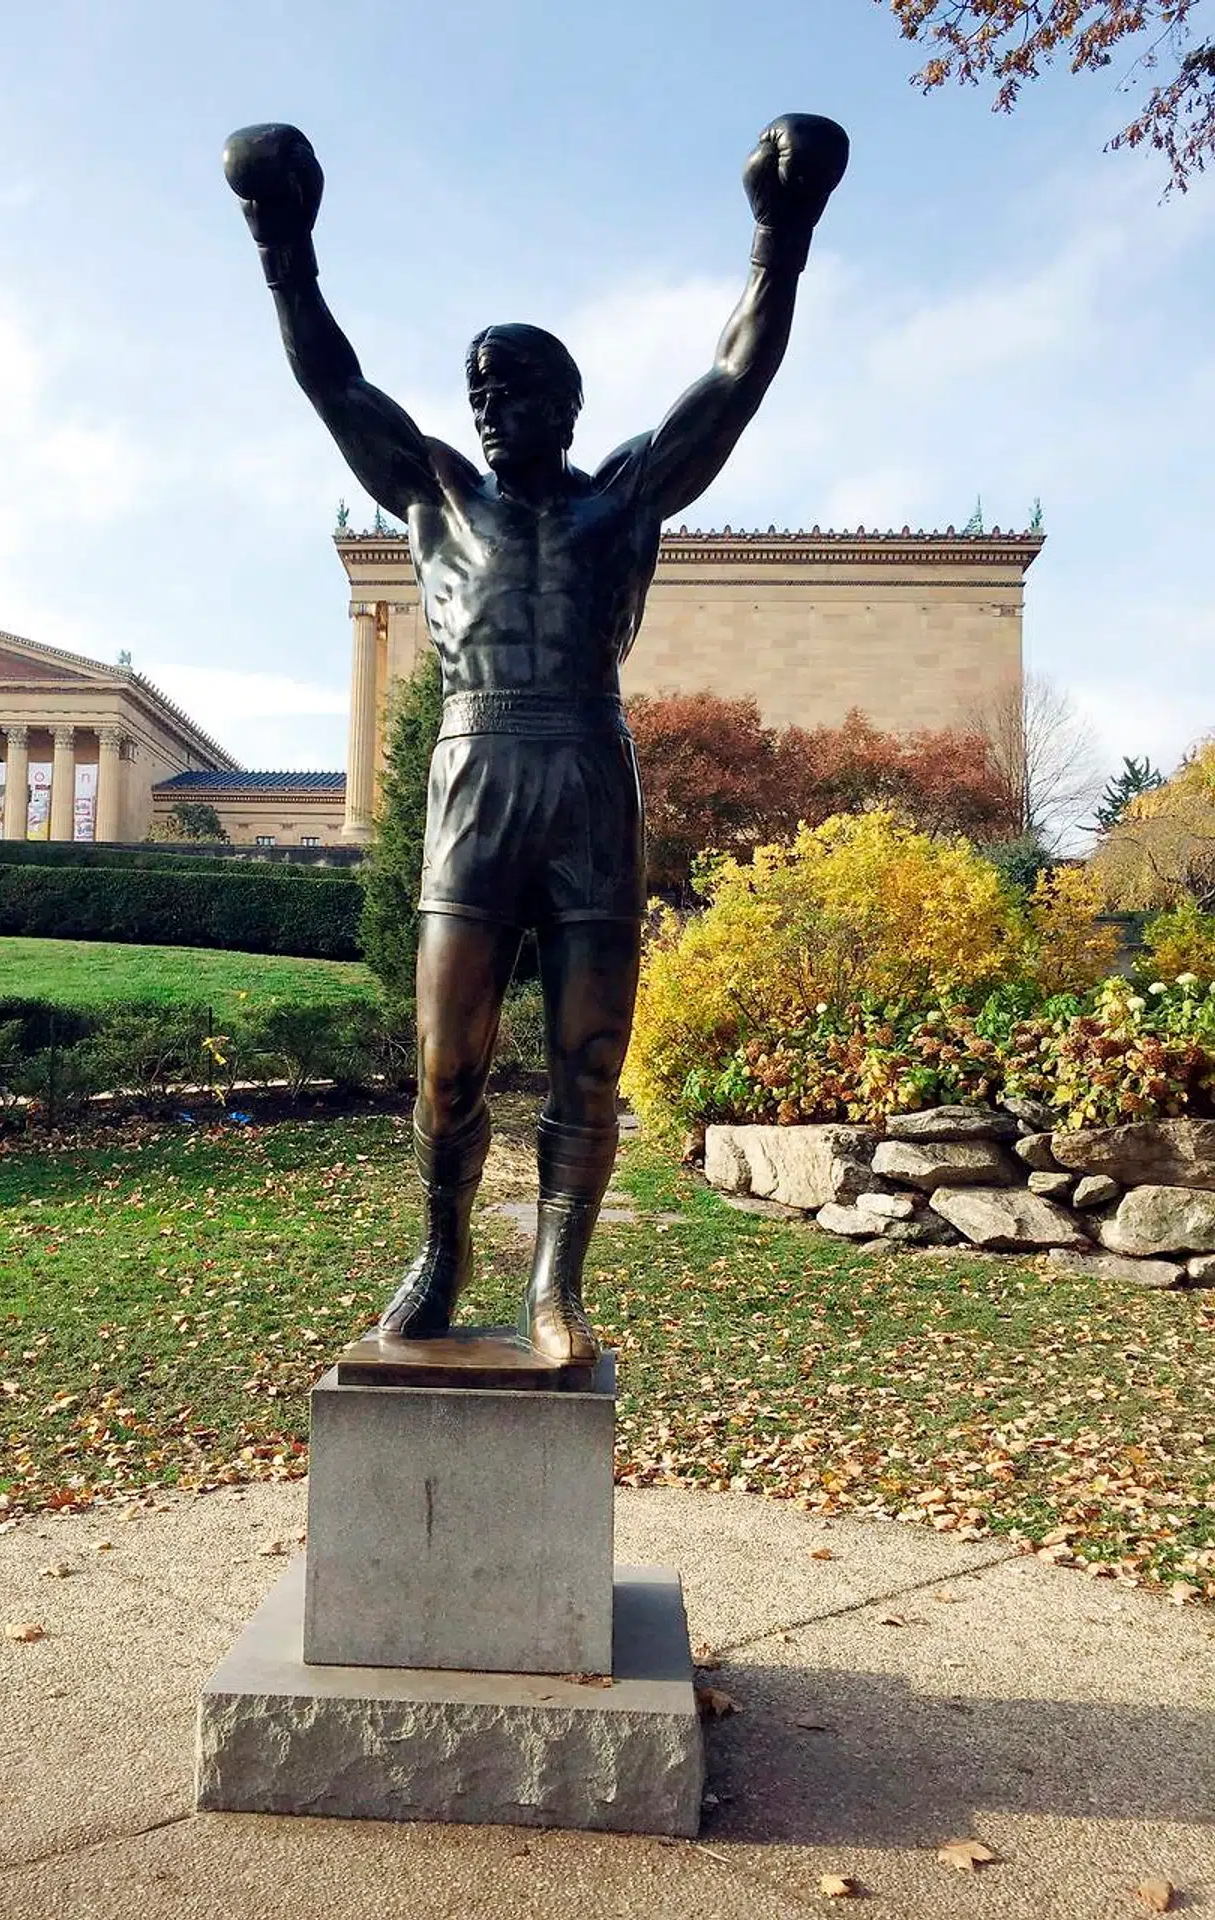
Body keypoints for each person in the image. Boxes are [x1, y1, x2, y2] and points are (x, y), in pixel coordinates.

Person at [225, 114, 848, 1364]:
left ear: (566, 403)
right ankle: (443, 1247)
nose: (490, 410)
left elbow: (734, 382)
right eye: (478, 394)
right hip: (474, 777)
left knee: (590, 1056)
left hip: (586, 776)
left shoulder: (626, 495)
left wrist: (781, 238)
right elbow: (334, 384)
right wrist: (284, 247)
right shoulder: (438, 496)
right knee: (447, 1058)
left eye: (513, 392)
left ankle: (557, 1285)